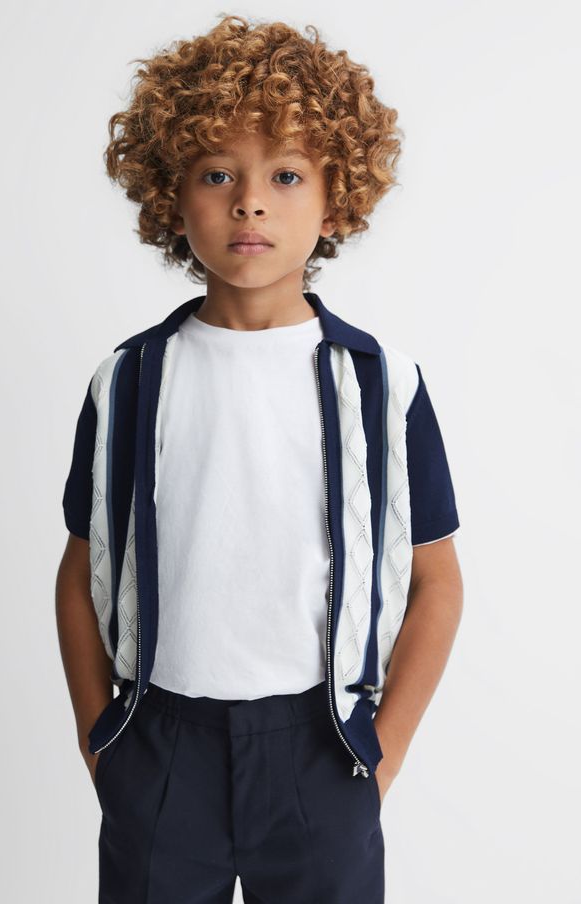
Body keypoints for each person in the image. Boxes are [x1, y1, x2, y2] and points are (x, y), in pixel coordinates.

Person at [55, 14, 463, 904]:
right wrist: (103, 745)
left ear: (335, 197)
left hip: (323, 747)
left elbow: (437, 580)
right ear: (171, 196)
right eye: (217, 174)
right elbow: (81, 569)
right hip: (160, 746)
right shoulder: (127, 380)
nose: (250, 203)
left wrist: (382, 756)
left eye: (285, 174)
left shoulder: (382, 386)